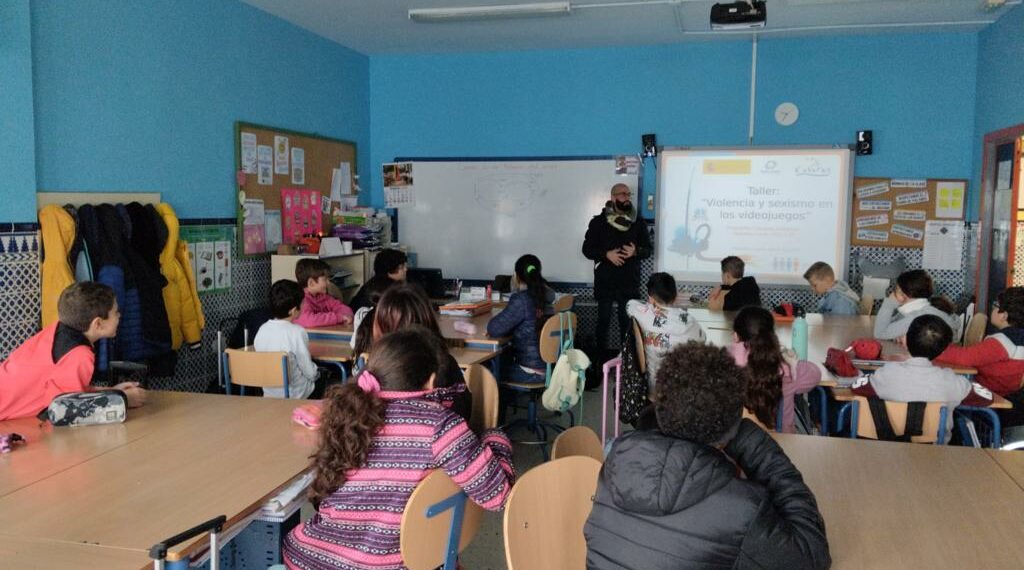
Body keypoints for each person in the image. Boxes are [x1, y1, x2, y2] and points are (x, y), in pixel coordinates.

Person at [282, 328, 516, 569]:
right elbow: (498, 496)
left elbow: (322, 498)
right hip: (395, 563)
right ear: (432, 380)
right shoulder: (440, 425)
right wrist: (494, 436)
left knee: (292, 538)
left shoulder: (344, 415)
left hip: (317, 559)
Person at [584, 342, 831, 570]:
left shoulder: (616, 464)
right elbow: (812, 555)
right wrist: (756, 447)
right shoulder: (741, 509)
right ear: (731, 429)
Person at [0, 282, 146, 421]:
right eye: (116, 312)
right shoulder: (79, 354)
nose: (119, 316)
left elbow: (67, 394)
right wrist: (123, 400)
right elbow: (66, 412)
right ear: (98, 323)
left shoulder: (57, 331)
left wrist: (111, 392)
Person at [852, 315, 992, 443]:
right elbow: (986, 397)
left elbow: (857, 386)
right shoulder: (951, 381)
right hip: (934, 455)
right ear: (943, 351)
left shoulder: (886, 374)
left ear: (905, 340)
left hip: (885, 449)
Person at [359, 283, 471, 421]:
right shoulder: (445, 366)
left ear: (379, 328)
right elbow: (464, 412)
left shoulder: (370, 372)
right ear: (427, 323)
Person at [582, 183, 652, 352]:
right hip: (605, 282)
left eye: (629, 194)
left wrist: (636, 252)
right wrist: (606, 255)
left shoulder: (638, 223)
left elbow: (648, 250)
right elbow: (587, 249)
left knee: (626, 324)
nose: (627, 197)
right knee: (603, 322)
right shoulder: (598, 222)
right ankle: (600, 363)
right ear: (613, 197)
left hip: (628, 283)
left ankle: (626, 363)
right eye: (622, 194)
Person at [728, 306, 821, 433]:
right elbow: (815, 374)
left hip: (734, 442)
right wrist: (793, 361)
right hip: (781, 441)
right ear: (771, 336)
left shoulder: (725, 365)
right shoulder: (784, 368)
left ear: (735, 336)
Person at [936, 287, 1024, 401]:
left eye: (995, 305)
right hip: (1005, 391)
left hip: (988, 392)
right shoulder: (1017, 338)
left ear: (1004, 316)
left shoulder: (1003, 341)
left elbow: (963, 358)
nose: (992, 309)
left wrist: (930, 347)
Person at [626, 272, 705, 390]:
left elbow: (630, 304)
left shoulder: (643, 314)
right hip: (684, 388)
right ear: (675, 296)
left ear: (651, 298)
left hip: (653, 386)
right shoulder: (689, 320)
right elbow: (702, 339)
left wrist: (650, 305)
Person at [486, 254, 556, 384]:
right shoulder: (548, 297)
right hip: (550, 367)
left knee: (486, 368)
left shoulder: (522, 299)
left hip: (530, 371)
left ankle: (500, 404)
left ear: (517, 276)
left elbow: (493, 329)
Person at [253, 280, 322, 399]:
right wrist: (318, 372)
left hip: (269, 394)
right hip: (296, 394)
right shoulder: (297, 332)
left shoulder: (262, 330)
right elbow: (309, 372)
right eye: (303, 303)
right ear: (293, 310)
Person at [873, 269, 958, 340]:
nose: (892, 294)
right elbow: (887, 325)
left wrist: (888, 304)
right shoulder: (918, 309)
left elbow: (880, 334)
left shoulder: (918, 316)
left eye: (896, 291)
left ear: (903, 295)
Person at [293, 258, 353, 329]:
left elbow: (345, 309)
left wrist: (346, 316)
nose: (328, 283)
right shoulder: (302, 300)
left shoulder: (323, 297)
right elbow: (310, 321)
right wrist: (339, 317)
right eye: (325, 279)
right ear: (311, 283)